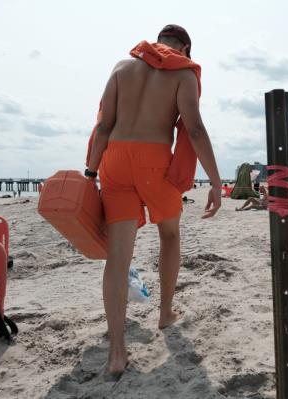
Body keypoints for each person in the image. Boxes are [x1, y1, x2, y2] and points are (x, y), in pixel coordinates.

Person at [85, 25, 222, 374]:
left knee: (118, 257)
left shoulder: (122, 67)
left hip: (115, 158)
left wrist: (90, 172)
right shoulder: (183, 72)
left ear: (157, 41)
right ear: (185, 48)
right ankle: (164, 313)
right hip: (153, 161)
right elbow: (193, 128)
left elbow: (103, 126)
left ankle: (117, 352)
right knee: (170, 235)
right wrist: (216, 180)